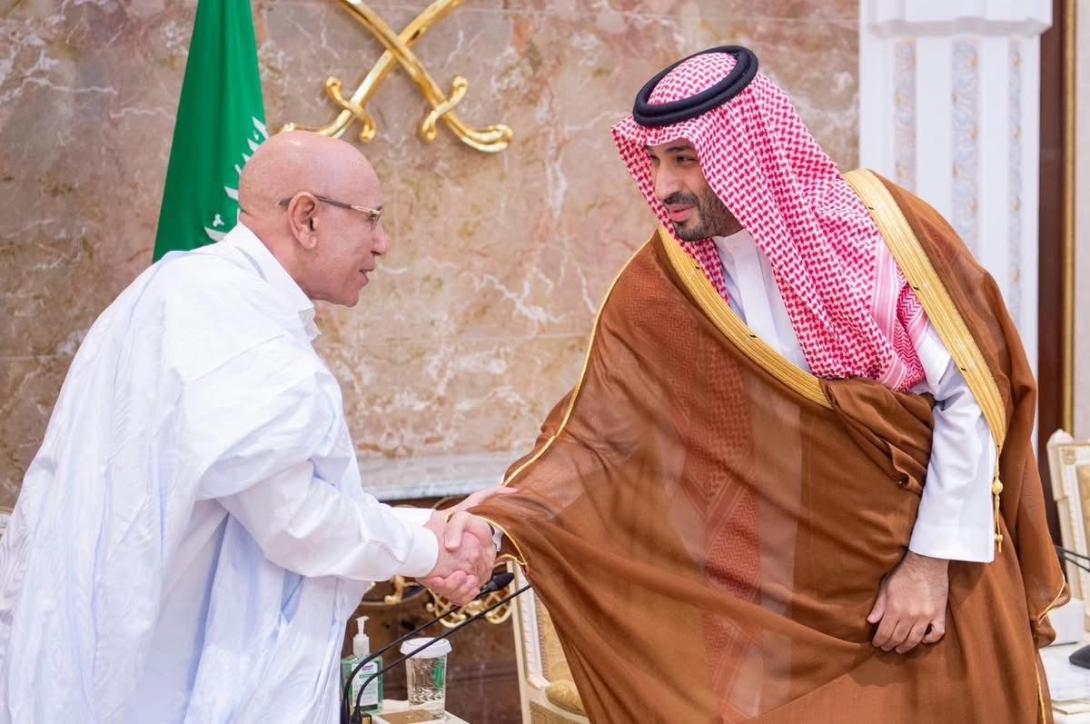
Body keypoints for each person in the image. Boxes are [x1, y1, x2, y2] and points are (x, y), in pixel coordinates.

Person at [473, 46, 1065, 721]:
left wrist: (929, 566)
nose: (663, 186)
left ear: (745, 151)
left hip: (925, 590)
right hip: (780, 612)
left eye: (684, 159)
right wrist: (497, 522)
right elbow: (601, 434)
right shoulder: (665, 282)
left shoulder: (878, 232)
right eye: (655, 160)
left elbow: (970, 400)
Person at [0, 131, 506, 722]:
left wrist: (429, 529)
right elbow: (297, 521)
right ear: (307, 218)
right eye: (371, 219)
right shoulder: (237, 325)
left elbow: (269, 495)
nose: (382, 242)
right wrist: (431, 547)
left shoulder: (179, 289)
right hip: (166, 680)